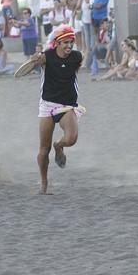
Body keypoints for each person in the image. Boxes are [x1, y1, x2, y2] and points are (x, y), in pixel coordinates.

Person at [27, 25, 83, 194]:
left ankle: (59, 146)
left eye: (71, 42)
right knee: (44, 150)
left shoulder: (76, 57)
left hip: (67, 106)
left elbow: (72, 74)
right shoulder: (47, 57)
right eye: (65, 42)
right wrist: (35, 59)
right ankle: (44, 184)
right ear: (57, 42)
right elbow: (31, 65)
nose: (69, 46)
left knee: (71, 138)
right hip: (47, 105)